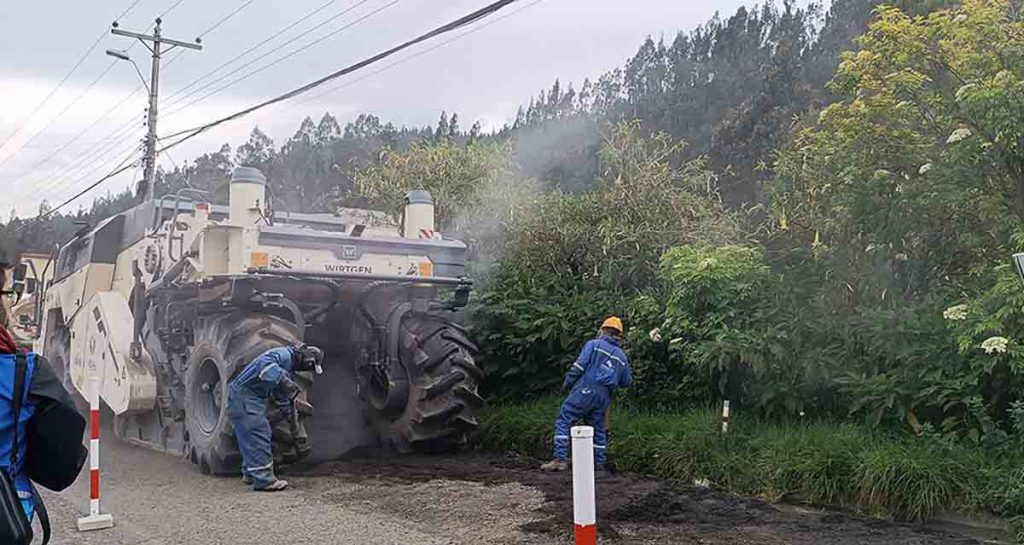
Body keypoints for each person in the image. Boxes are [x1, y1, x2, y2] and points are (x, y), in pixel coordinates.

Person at [541, 316, 633, 472]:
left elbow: (579, 366)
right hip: (603, 397)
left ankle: (560, 459)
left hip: (585, 389)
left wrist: (568, 383)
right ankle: (599, 464)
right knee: (598, 430)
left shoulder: (594, 345)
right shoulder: (621, 356)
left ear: (603, 330)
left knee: (564, 420)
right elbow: (626, 382)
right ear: (619, 335)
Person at [228, 343, 323, 492]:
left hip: (251, 398)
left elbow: (282, 395)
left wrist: (290, 415)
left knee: (251, 436)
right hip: (245, 396)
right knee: (259, 433)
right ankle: (264, 481)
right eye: (309, 367)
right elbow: (264, 365)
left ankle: (250, 473)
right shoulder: (283, 355)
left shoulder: (288, 366)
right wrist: (283, 380)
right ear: (306, 360)